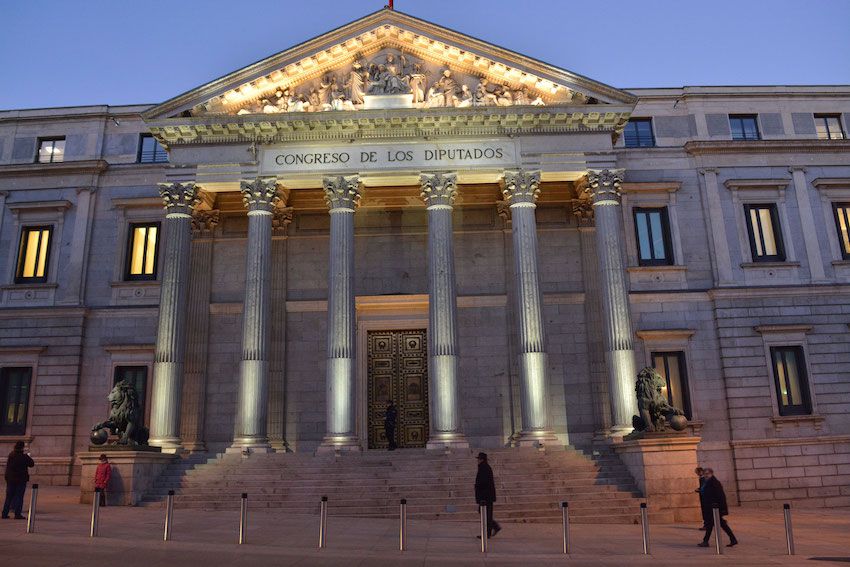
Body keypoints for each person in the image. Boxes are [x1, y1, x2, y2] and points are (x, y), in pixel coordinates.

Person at [698, 468, 738, 547]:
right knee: (721, 524)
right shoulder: (707, 482)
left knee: (711, 524)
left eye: (707, 473)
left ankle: (705, 541)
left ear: (711, 474)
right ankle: (733, 539)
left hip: (716, 508)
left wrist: (722, 509)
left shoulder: (715, 482)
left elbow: (721, 496)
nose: (705, 475)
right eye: (705, 473)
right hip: (711, 507)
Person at [3, 441, 34, 519]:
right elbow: (31, 464)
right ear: (22, 447)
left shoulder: (11, 455)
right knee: (19, 497)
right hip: (21, 480)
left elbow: (8, 467)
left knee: (9, 497)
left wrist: (7, 477)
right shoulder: (24, 456)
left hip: (11, 479)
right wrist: (28, 455)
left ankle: (4, 513)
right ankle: (17, 514)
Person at [475, 452, 501, 539]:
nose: (477, 460)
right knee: (486, 514)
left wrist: (478, 487)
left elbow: (483, 482)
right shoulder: (484, 467)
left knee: (486, 514)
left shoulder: (484, 468)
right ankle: (491, 530)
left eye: (478, 459)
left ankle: (490, 531)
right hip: (486, 495)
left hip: (485, 496)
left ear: (481, 459)